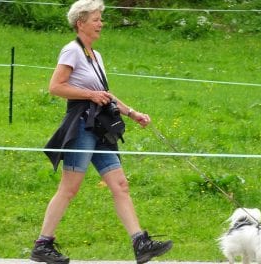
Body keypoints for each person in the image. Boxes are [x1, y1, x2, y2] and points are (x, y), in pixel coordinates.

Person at [30, 0, 173, 264]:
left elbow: (105, 95)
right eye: (96, 19)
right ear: (80, 22)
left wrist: (132, 112)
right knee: (69, 188)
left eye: (100, 19)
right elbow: (55, 87)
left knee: (120, 185)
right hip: (82, 126)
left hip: (100, 128)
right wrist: (89, 94)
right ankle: (42, 244)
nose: (101, 24)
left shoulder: (95, 56)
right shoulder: (71, 51)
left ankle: (140, 242)